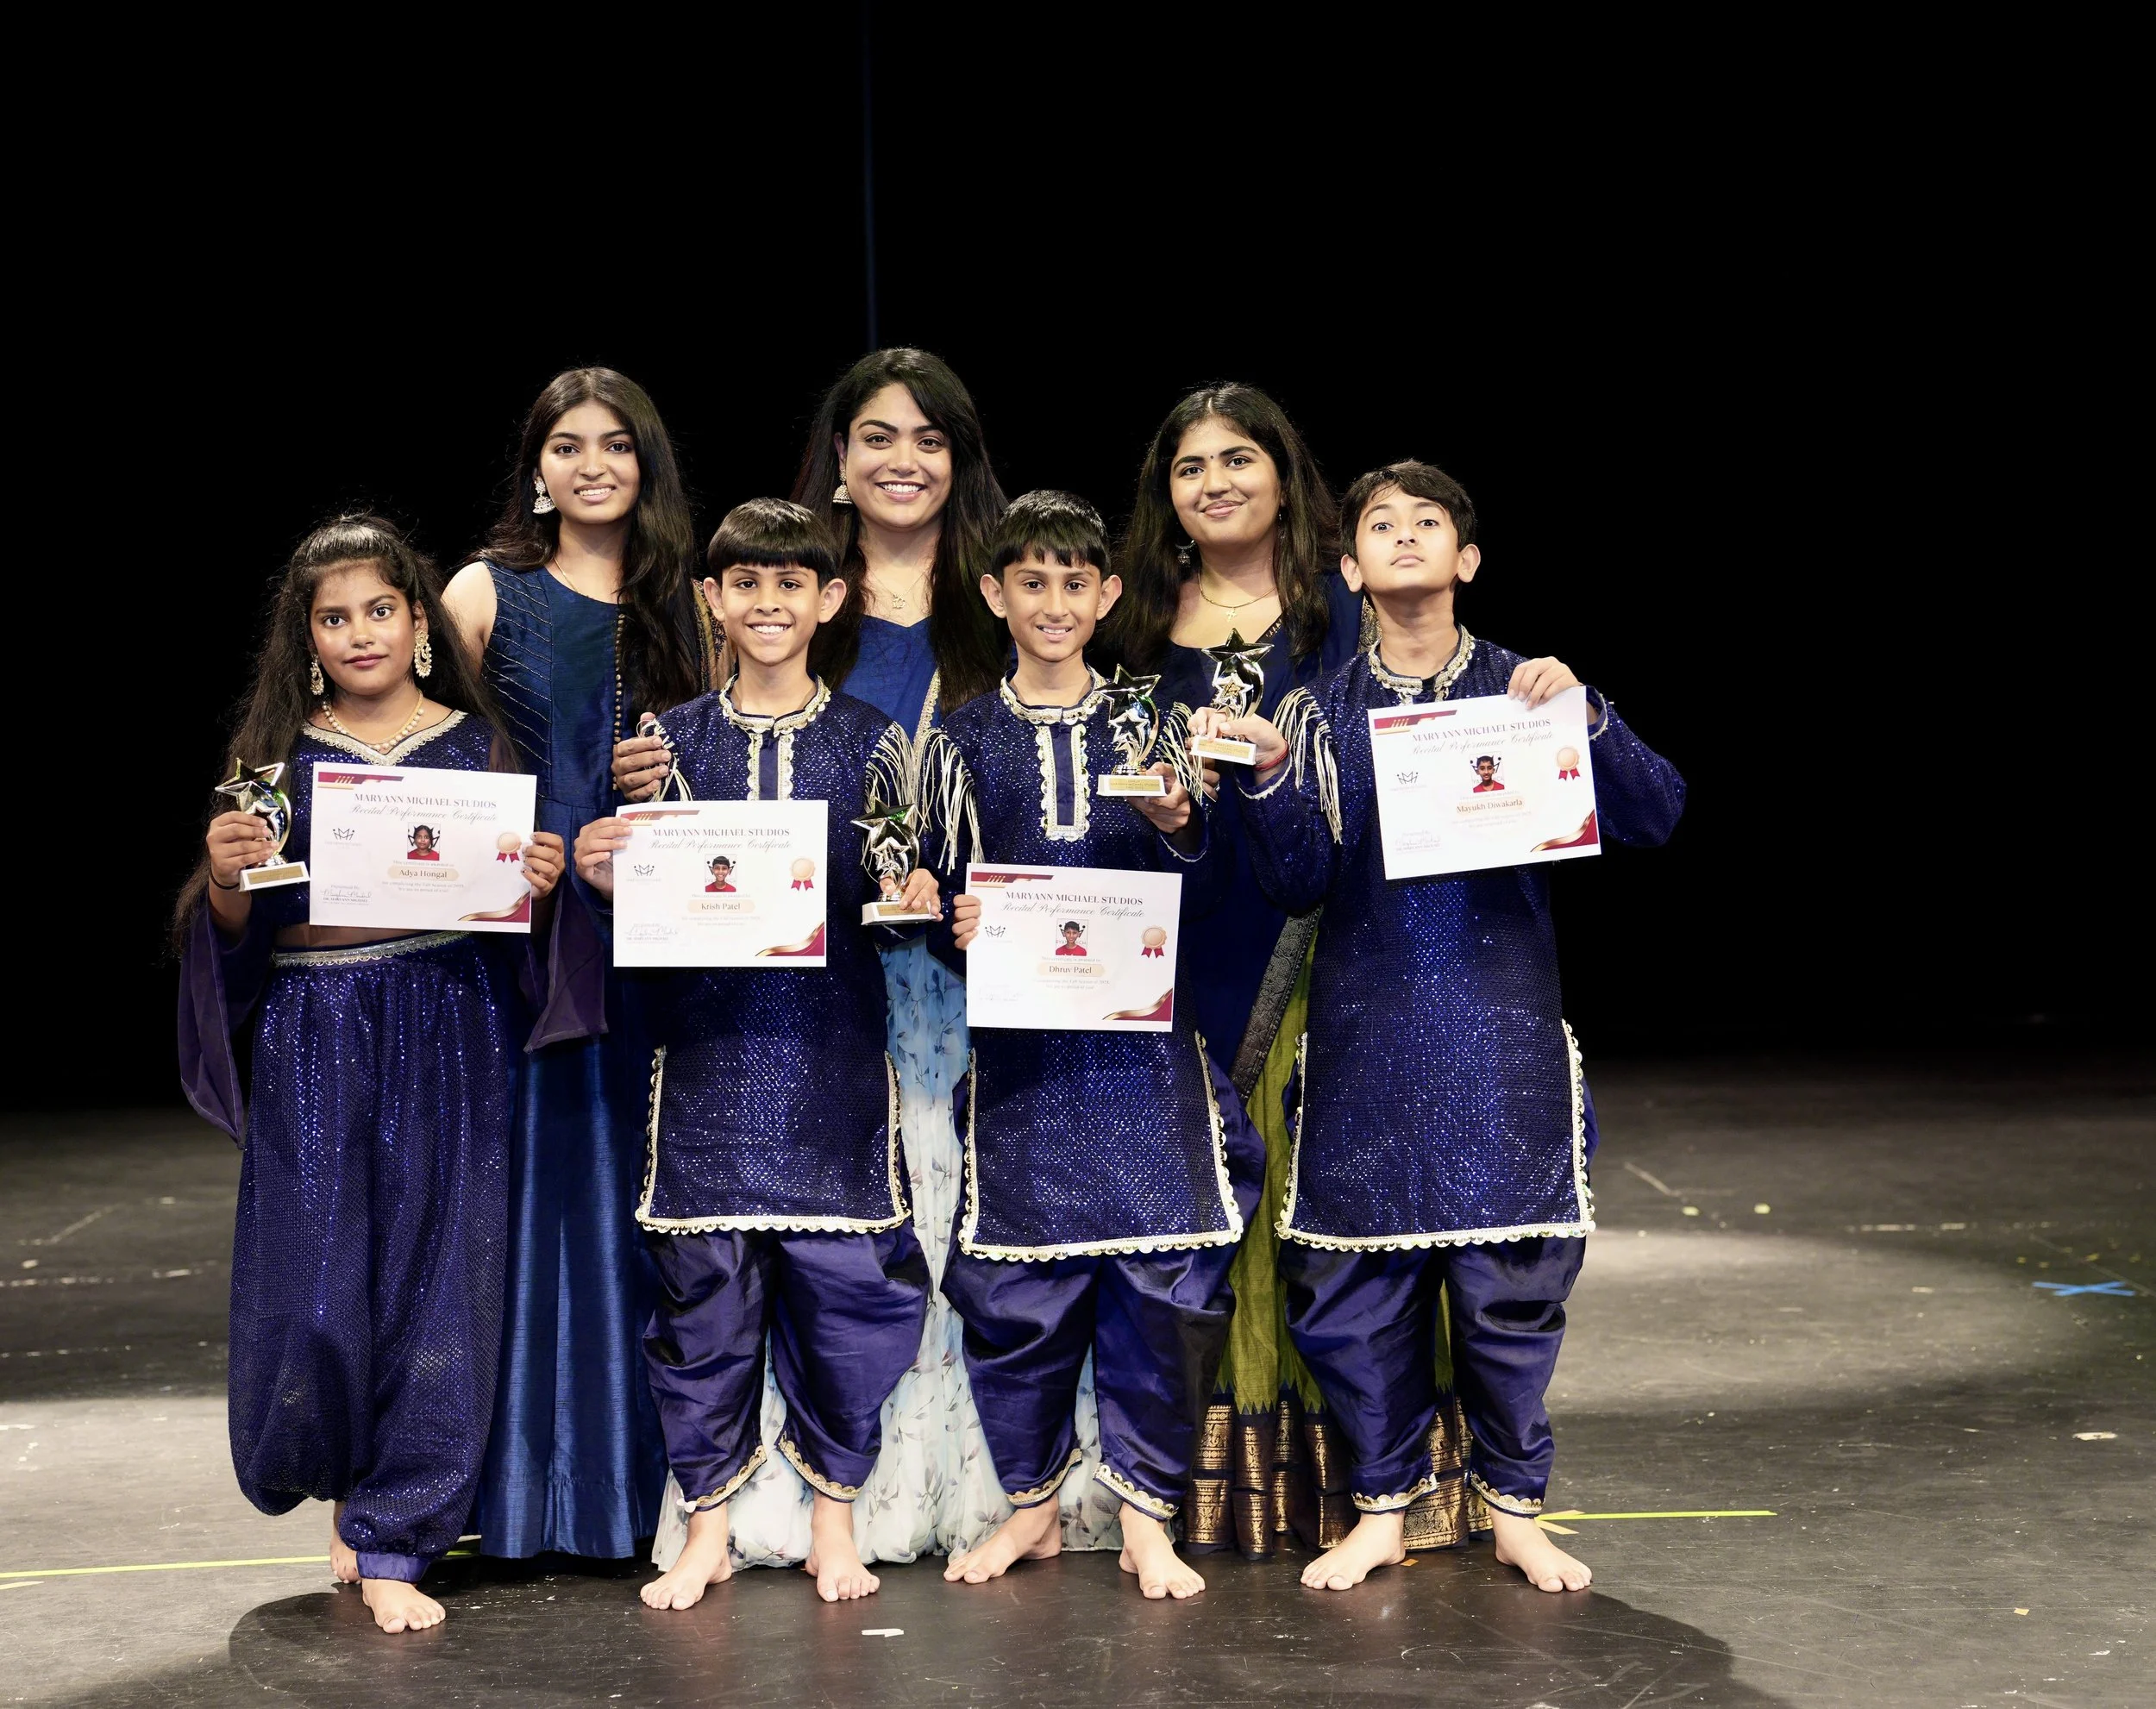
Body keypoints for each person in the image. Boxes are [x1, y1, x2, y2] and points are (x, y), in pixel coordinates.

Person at [614, 352, 1109, 1572]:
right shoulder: (781, 590)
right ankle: (774, 1511)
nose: (902, 458)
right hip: (793, 990)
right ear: (836, 458)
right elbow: (706, 794)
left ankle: (992, 1489)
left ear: (961, 458)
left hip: (976, 963)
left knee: (932, 1236)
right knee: (775, 1243)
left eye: (928, 437)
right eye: (875, 435)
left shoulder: (1011, 594)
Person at [1192, 460, 1686, 1593]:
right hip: (1368, 1038)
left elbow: (1658, 811)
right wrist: (1267, 777)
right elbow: (1302, 883)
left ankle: (1514, 1507)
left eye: (1430, 523)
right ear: (1351, 565)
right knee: (1359, 1294)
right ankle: (1382, 1507)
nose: (1405, 537)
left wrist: (1588, 717)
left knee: (1511, 1286)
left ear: (1467, 560)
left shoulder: (1527, 686)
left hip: (1498, 1037)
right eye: (1381, 524)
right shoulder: (1315, 709)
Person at [176, 516, 567, 1632]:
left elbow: (521, 935)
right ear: (306, 638)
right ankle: (345, 1478)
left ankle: (400, 1531)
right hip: (318, 1031)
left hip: (449, 1023)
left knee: (438, 1281)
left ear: (420, 625)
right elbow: (238, 943)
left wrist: (535, 882)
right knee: (317, 1290)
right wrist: (225, 878)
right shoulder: (281, 761)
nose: (359, 632)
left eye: (379, 609)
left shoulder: (479, 752)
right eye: (334, 615)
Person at [1102, 383, 1470, 1560]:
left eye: (1238, 457)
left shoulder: (1340, 607)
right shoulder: (1133, 628)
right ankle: (1214, 1487)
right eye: (1189, 464)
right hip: (1184, 937)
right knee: (1214, 1208)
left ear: (1284, 474)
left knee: (1339, 1216)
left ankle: (1382, 1483)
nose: (1214, 481)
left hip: (1337, 944)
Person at [573, 498, 938, 1608]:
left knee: (848, 1296)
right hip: (708, 1057)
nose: (769, 602)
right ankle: (709, 1525)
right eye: (747, 584)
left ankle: (835, 1516)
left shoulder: (877, 739)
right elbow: (631, 910)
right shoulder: (662, 746)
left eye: (794, 583)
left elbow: (900, 893)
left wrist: (918, 896)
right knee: (703, 1302)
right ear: (714, 600)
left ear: (832, 600)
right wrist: (602, 872)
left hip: (832, 1053)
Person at [917, 491, 1263, 1599]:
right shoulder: (958, 740)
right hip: (1026, 1064)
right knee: (1017, 1295)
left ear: (1109, 594)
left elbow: (1207, 891)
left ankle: (1147, 1517)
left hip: (1143, 1057)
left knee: (1165, 1291)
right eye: (1032, 582)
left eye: (1077, 582)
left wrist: (1182, 828)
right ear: (993, 594)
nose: (1055, 602)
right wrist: (949, 918)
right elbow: (925, 887)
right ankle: (1032, 1510)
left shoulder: (1151, 723)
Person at [442, 368, 717, 1563]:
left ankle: (640, 1495)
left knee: (643, 1196)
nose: (593, 463)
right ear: (537, 467)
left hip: (656, 932)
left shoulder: (691, 602)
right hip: (521, 929)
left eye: (616, 443)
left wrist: (669, 780)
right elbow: (425, 746)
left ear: (645, 463)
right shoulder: (481, 589)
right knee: (528, 1197)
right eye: (568, 444)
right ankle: (515, 1495)